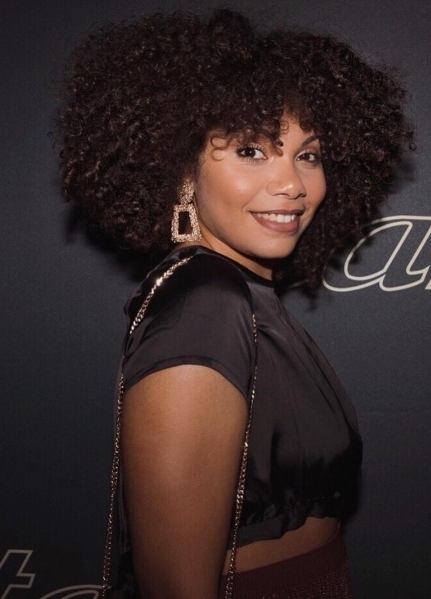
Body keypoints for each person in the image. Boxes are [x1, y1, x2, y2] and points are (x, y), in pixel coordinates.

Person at [56, 9, 410, 598]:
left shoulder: (242, 297)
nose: (292, 183)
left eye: (308, 154)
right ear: (182, 170)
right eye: (252, 151)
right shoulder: (206, 305)